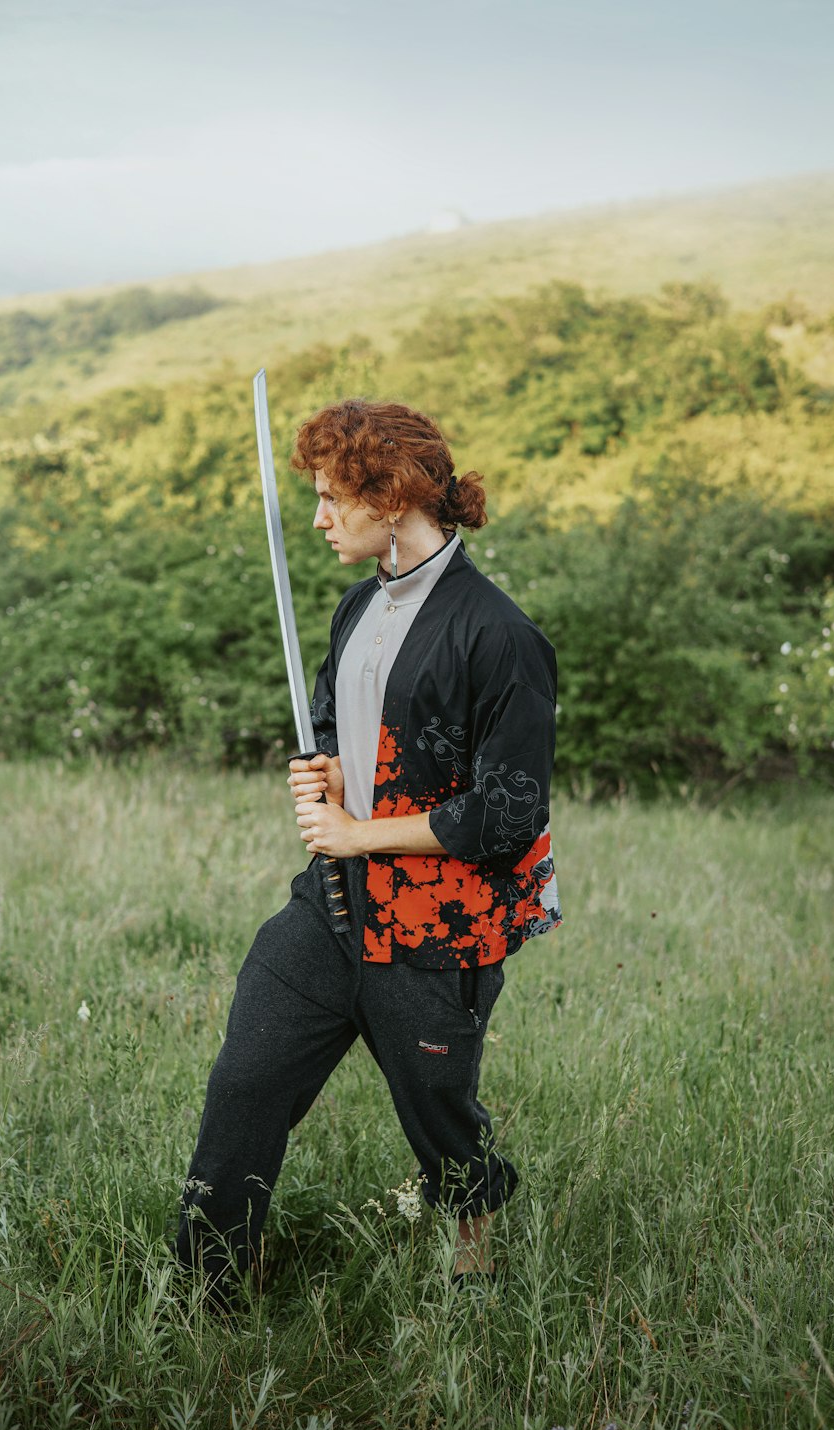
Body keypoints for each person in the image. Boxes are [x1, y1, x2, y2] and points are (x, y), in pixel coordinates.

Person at [175, 398, 561, 1306]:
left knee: (440, 1118)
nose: (317, 518)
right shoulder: (358, 608)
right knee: (244, 1082)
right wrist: (329, 777)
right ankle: (205, 1290)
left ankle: (479, 1264)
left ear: (390, 498)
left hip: (437, 931)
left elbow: (508, 814)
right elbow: (334, 725)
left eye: (330, 497)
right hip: (329, 911)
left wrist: (359, 830)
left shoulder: (500, 637)